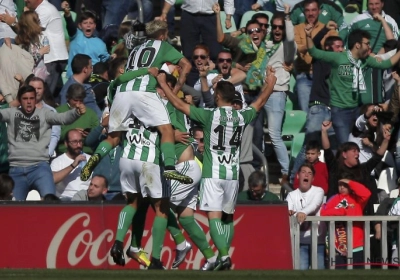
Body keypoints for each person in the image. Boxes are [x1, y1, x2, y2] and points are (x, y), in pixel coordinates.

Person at [159, 65, 277, 270]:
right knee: (228, 216)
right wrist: (270, 84)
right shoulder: (242, 116)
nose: (213, 96)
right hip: (233, 173)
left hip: (212, 173)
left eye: (215, 93)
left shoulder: (209, 115)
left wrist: (163, 85)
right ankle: (224, 255)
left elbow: (179, 104)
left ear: (220, 96)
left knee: (213, 216)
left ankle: (223, 255)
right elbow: (260, 101)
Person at [80, 20, 193, 184]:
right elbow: (186, 65)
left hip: (123, 92)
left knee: (113, 138)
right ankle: (169, 168)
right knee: (167, 130)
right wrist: (175, 92)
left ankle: (96, 157)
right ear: (162, 35)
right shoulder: (163, 46)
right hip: (144, 91)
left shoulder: (134, 50)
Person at [306, 27, 400, 144]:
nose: (369, 47)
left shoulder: (365, 60)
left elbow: (387, 64)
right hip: (339, 111)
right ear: (357, 45)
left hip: (357, 110)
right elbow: (313, 52)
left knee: (357, 147)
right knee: (346, 146)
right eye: (366, 43)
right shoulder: (338, 57)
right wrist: (309, 36)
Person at [0, 85, 86, 200]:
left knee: (50, 201)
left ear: (36, 99)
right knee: (15, 208)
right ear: (19, 101)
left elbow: (63, 118)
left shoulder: (45, 113)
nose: (29, 102)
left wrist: (76, 112)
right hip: (16, 169)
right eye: (25, 99)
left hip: (39, 168)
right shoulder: (11, 113)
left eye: (31, 98)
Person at [157, 0, 233, 86]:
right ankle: (192, 86)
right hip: (189, 15)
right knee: (189, 54)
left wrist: (228, 17)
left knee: (215, 53)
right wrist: (164, 12)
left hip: (211, 16)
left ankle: (216, 84)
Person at [294, 0, 338, 113]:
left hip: (324, 77)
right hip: (305, 75)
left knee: (327, 111)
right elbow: (299, 49)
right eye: (307, 10)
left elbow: (335, 50)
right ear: (304, 12)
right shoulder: (297, 29)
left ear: (319, 11)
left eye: (314, 10)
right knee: (307, 113)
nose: (311, 13)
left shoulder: (329, 29)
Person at [320, 177, 371, 269]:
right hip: (338, 246)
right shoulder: (334, 198)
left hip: (357, 245)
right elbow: (323, 212)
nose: (342, 187)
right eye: (340, 185)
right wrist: (341, 211)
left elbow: (367, 193)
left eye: (345, 185)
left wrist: (351, 182)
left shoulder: (357, 199)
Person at [23, 0, 69, 96]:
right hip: (48, 58)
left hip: (52, 59)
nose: (25, 0)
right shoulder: (40, 9)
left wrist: (13, 23)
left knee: (43, 95)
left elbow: (31, 29)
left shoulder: (44, 9)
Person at [286, 163, 325, 269]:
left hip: (317, 240)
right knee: (301, 272)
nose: (306, 175)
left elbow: (314, 204)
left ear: (313, 178)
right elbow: (288, 211)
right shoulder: (291, 195)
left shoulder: (319, 191)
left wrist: (301, 212)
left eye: (310, 173)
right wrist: (294, 213)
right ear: (298, 176)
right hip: (299, 241)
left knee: (320, 274)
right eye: (303, 172)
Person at [62, 8, 110, 78]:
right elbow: (70, 26)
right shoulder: (76, 35)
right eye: (85, 23)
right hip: (74, 77)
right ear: (80, 26)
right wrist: (68, 15)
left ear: (95, 26)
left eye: (91, 23)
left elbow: (105, 62)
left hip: (91, 79)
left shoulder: (101, 44)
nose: (88, 25)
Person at [56, 84, 99, 155]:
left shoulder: (91, 113)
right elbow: (55, 135)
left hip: (86, 152)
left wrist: (88, 134)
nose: (78, 104)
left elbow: (96, 133)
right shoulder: (59, 112)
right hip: (65, 152)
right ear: (68, 98)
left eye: (81, 101)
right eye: (75, 100)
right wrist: (73, 133)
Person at [51, 129, 91, 200]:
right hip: (65, 198)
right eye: (74, 142)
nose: (78, 145)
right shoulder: (58, 161)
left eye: (80, 141)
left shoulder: (90, 159)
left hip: (85, 198)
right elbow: (53, 179)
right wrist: (73, 165)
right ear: (66, 144)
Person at [59, 54, 102, 119]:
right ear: (85, 69)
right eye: (91, 67)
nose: (92, 70)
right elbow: (64, 113)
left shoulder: (84, 85)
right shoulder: (69, 89)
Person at [29, 77, 60, 158]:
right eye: (33, 88)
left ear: (43, 90)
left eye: (39, 88)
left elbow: (55, 135)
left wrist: (48, 153)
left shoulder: (51, 111)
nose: (36, 91)